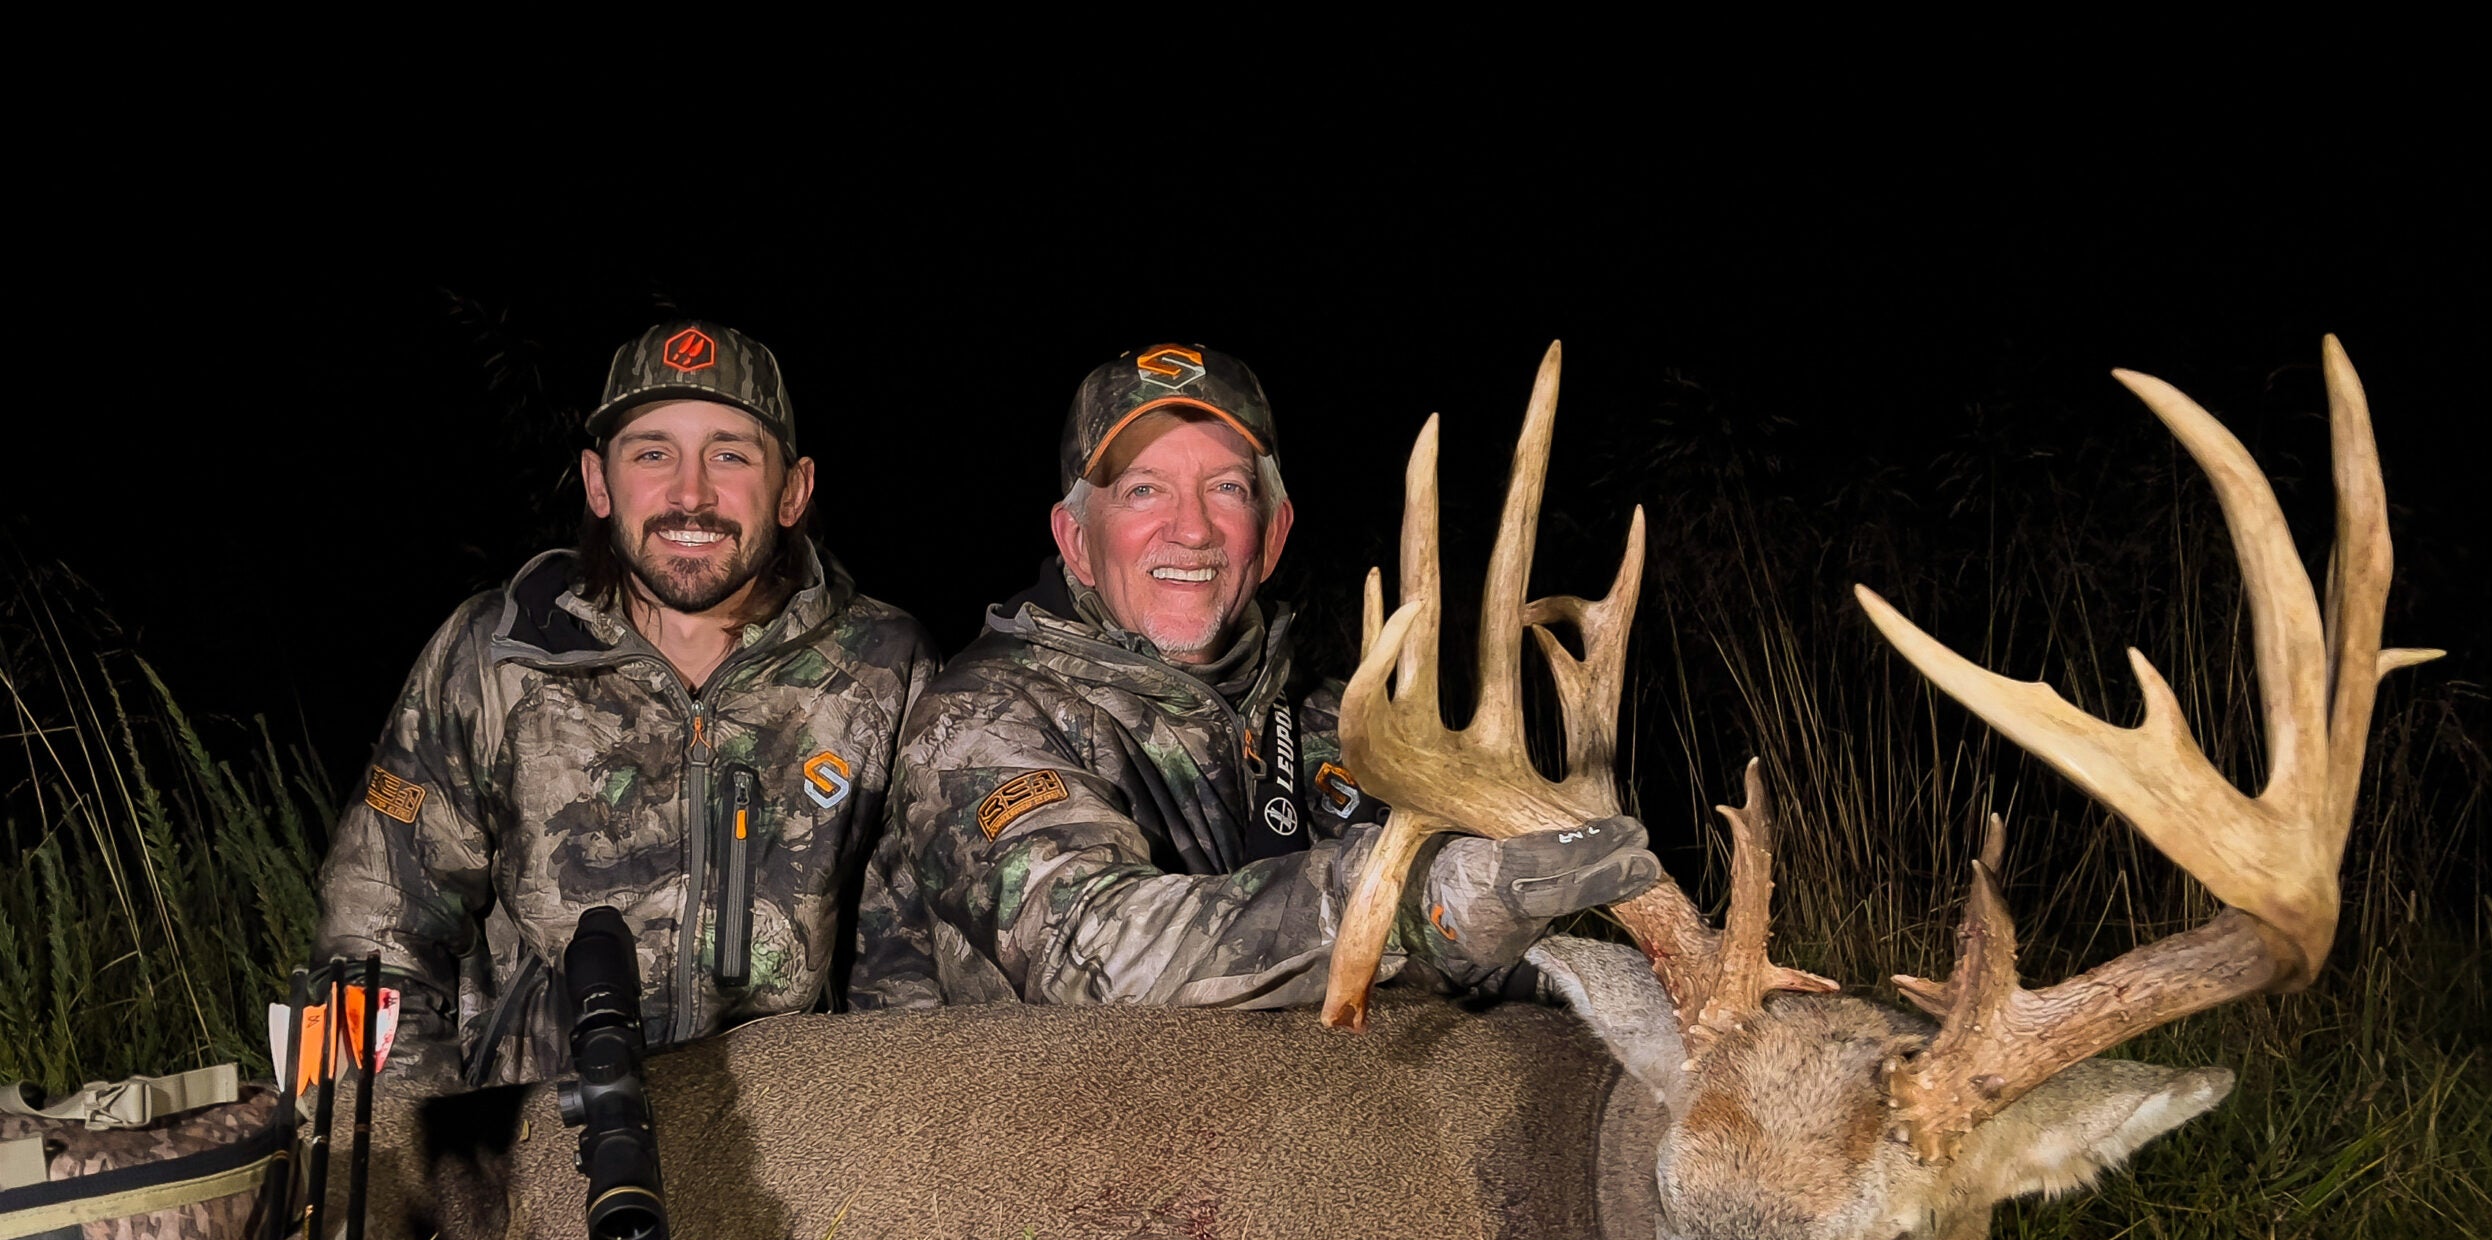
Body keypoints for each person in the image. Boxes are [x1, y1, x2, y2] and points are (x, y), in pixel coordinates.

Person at [861, 342, 1657, 1008]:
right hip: (1018, 1157)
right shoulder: (977, 721)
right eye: (1144, 490)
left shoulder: (1342, 723)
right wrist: (1409, 903)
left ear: (1271, 537)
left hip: (1277, 1145)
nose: (1192, 528)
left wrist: (1536, 949)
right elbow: (1087, 950)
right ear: (1074, 540)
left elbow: (1442, 946)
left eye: (1228, 490)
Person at [314, 320, 937, 1082]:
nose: (689, 493)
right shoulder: (496, 653)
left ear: (792, 490)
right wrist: (422, 1160)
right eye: (652, 453)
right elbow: (374, 926)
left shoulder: (881, 664)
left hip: (786, 1137)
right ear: (598, 483)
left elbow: (911, 961)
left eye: (730, 455)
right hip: (538, 1131)